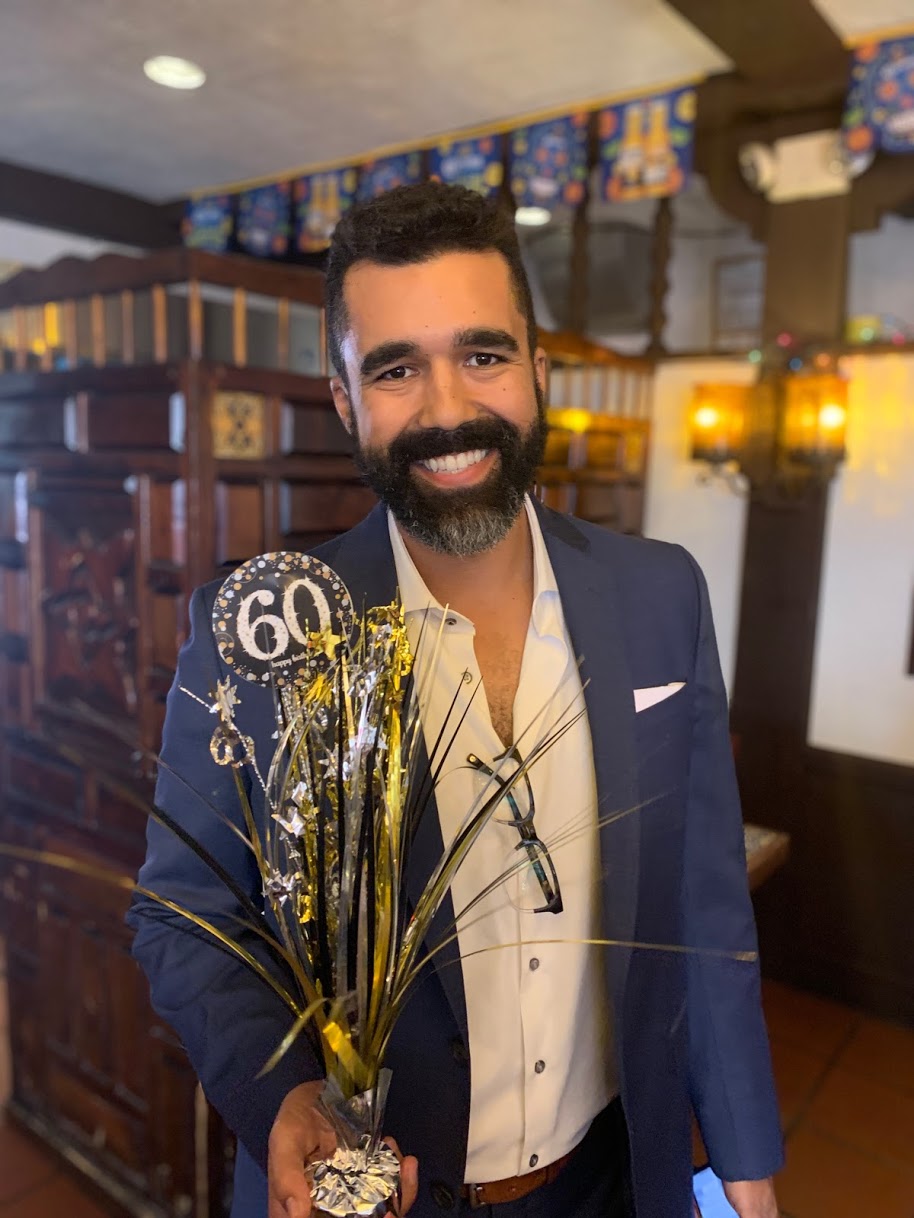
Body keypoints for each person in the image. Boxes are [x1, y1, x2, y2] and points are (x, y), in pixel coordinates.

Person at [129, 182, 783, 1218]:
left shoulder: (662, 593)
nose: (445, 410)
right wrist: (283, 1094)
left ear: (538, 370)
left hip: (609, 1179)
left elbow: (703, 905)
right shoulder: (262, 632)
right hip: (371, 1193)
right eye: (395, 369)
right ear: (344, 399)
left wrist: (745, 1162)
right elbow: (184, 915)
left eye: (483, 354)